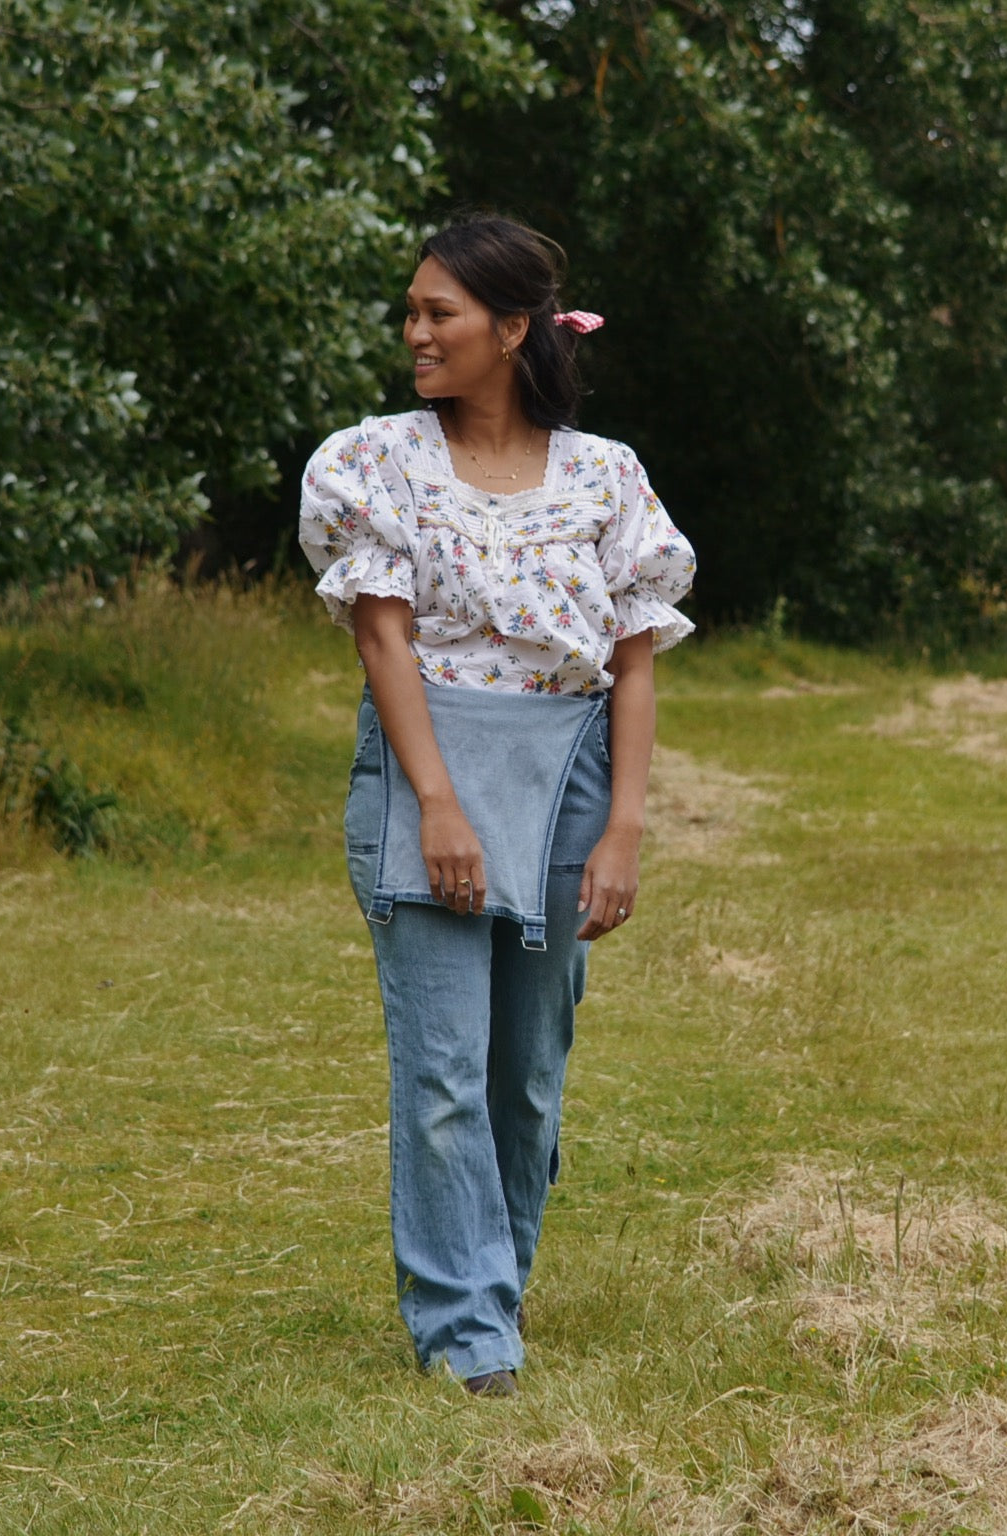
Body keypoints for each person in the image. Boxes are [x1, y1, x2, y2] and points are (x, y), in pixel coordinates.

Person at [299, 213, 695, 1397]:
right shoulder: (372, 463)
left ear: (511, 330)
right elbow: (382, 637)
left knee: (527, 1072)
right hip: (428, 762)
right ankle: (468, 1333)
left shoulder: (605, 475)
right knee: (440, 1072)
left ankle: (493, 1283)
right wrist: (437, 803)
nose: (414, 331)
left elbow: (632, 657)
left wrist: (622, 828)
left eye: (439, 314)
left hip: (568, 773)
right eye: (412, 311)